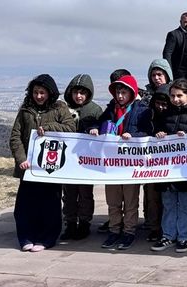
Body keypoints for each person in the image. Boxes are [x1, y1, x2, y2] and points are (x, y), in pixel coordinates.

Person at [9, 74, 75, 252]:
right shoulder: (25, 110)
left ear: (50, 93)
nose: (38, 96)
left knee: (49, 204)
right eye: (35, 92)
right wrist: (21, 159)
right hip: (28, 168)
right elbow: (15, 136)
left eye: (42, 93)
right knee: (24, 205)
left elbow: (70, 128)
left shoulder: (59, 108)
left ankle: (47, 238)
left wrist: (49, 128)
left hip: (51, 167)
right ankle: (26, 237)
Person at [90, 74, 153, 250]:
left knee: (131, 201)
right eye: (118, 92)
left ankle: (129, 231)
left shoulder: (141, 110)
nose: (120, 96)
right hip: (112, 164)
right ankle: (114, 230)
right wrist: (94, 128)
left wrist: (133, 136)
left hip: (131, 165)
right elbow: (99, 123)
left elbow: (148, 132)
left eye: (124, 92)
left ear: (131, 93)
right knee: (113, 201)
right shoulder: (111, 109)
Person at [150, 79, 187, 253]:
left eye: (179, 95)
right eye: (172, 96)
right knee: (168, 204)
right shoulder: (164, 115)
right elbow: (154, 134)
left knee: (185, 205)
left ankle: (184, 236)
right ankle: (168, 235)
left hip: (186, 170)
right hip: (167, 169)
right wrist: (159, 134)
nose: (175, 99)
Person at [60, 74, 103, 241]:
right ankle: (70, 223)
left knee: (85, 193)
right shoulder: (63, 108)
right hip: (68, 161)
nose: (79, 96)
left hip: (86, 161)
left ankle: (84, 223)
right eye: (76, 92)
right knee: (69, 194)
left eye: (83, 93)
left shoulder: (95, 110)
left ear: (88, 93)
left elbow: (102, 130)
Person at [138, 59, 173, 241]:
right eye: (153, 75)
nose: (157, 78)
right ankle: (152, 224)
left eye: (160, 74)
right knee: (151, 193)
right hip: (150, 156)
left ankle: (169, 225)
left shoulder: (175, 95)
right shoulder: (145, 98)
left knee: (168, 195)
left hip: (171, 156)